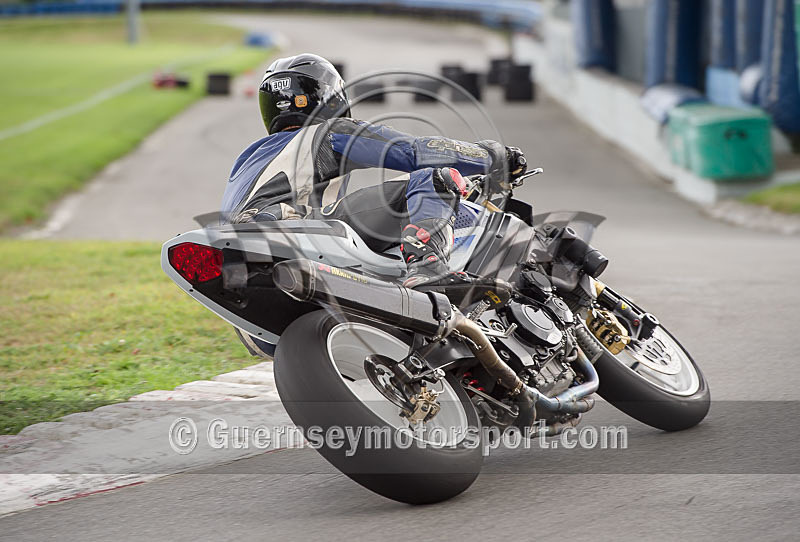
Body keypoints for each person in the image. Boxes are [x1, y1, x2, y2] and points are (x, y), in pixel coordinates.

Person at [221, 53, 526, 288]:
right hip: (286, 237)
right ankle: (429, 268)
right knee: (432, 179)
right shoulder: (327, 132)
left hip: (247, 279)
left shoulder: (248, 159)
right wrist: (491, 155)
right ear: (328, 98)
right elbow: (415, 152)